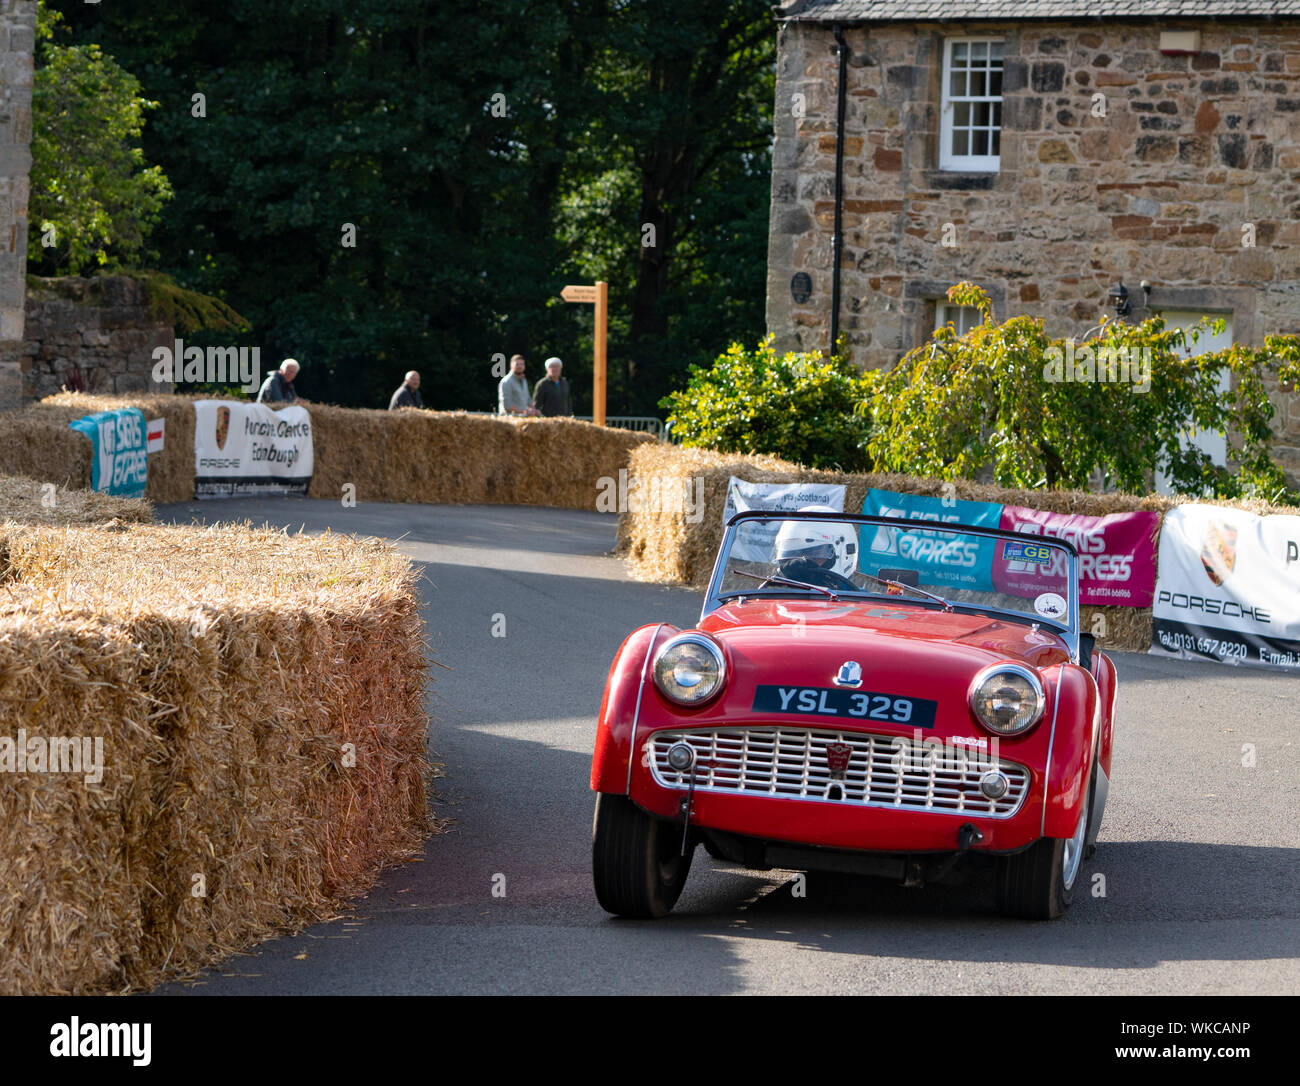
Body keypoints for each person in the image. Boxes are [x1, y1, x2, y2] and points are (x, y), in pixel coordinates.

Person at [771, 506, 860, 592]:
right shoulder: (770, 592)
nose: (801, 562)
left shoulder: (860, 600)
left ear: (843, 554)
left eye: (814, 553)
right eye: (791, 553)